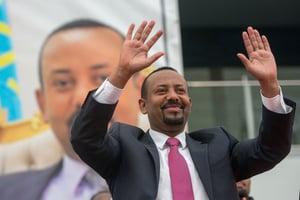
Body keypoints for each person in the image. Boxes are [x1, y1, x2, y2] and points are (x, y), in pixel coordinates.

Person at [70, 20, 296, 200]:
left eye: (179, 90)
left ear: (189, 101)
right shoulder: (125, 148)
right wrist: (121, 74)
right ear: (143, 105)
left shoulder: (219, 145)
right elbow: (85, 139)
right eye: (161, 91)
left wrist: (269, 85)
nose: (172, 95)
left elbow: (271, 149)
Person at [0, 18, 147, 200]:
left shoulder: (176, 173)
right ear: (42, 103)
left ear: (141, 93)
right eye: (62, 83)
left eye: (104, 79)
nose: (82, 98)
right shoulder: (6, 191)